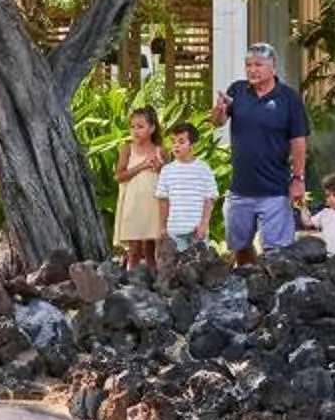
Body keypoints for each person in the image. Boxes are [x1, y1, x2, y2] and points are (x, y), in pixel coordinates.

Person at [208, 41, 310, 264]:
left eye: (258, 65)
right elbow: (217, 122)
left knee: (276, 252)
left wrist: (298, 178)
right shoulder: (238, 91)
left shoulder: (289, 98)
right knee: (240, 248)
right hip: (240, 191)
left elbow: (299, 141)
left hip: (275, 191)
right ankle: (248, 288)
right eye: (248, 65)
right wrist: (220, 110)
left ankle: (275, 293)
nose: (252, 70)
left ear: (273, 67)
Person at [153, 122, 220, 261]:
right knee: (173, 267)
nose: (176, 145)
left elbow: (210, 198)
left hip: (196, 232)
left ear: (193, 145)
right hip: (174, 232)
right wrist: (162, 228)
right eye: (173, 142)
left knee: (197, 268)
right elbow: (163, 201)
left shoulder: (203, 169)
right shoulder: (167, 171)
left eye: (181, 141)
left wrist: (204, 224)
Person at [111, 106, 165, 266]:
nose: (135, 130)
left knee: (150, 248)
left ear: (152, 128)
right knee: (134, 249)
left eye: (140, 126)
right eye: (132, 126)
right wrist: (142, 165)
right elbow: (120, 176)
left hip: (152, 205)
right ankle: (132, 283)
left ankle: (152, 284)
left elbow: (167, 176)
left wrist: (160, 167)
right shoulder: (127, 149)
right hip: (133, 206)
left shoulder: (159, 150)